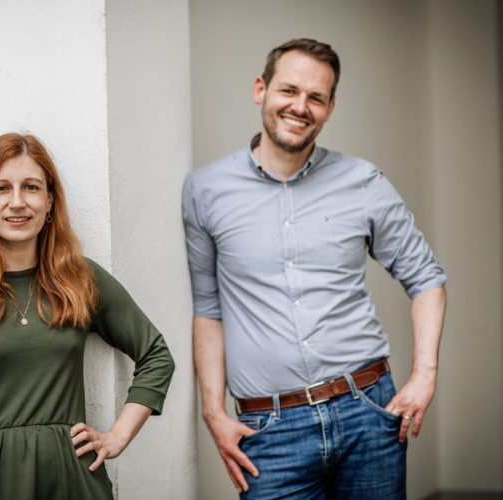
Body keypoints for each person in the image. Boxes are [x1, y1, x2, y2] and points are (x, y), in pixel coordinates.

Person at [182, 38, 447, 499]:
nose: (300, 106)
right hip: (270, 430)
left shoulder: (363, 182)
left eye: (316, 97)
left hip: (368, 412)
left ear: (329, 108)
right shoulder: (205, 191)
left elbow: (425, 278)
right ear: (260, 89)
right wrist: (212, 410)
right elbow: (209, 309)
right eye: (289, 90)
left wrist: (425, 374)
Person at [0, 132, 175, 499]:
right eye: (1, 188)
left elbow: (156, 354)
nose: (17, 202)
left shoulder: (80, 279)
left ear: (49, 200)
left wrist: (117, 437)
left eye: (31, 187)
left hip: (73, 481)